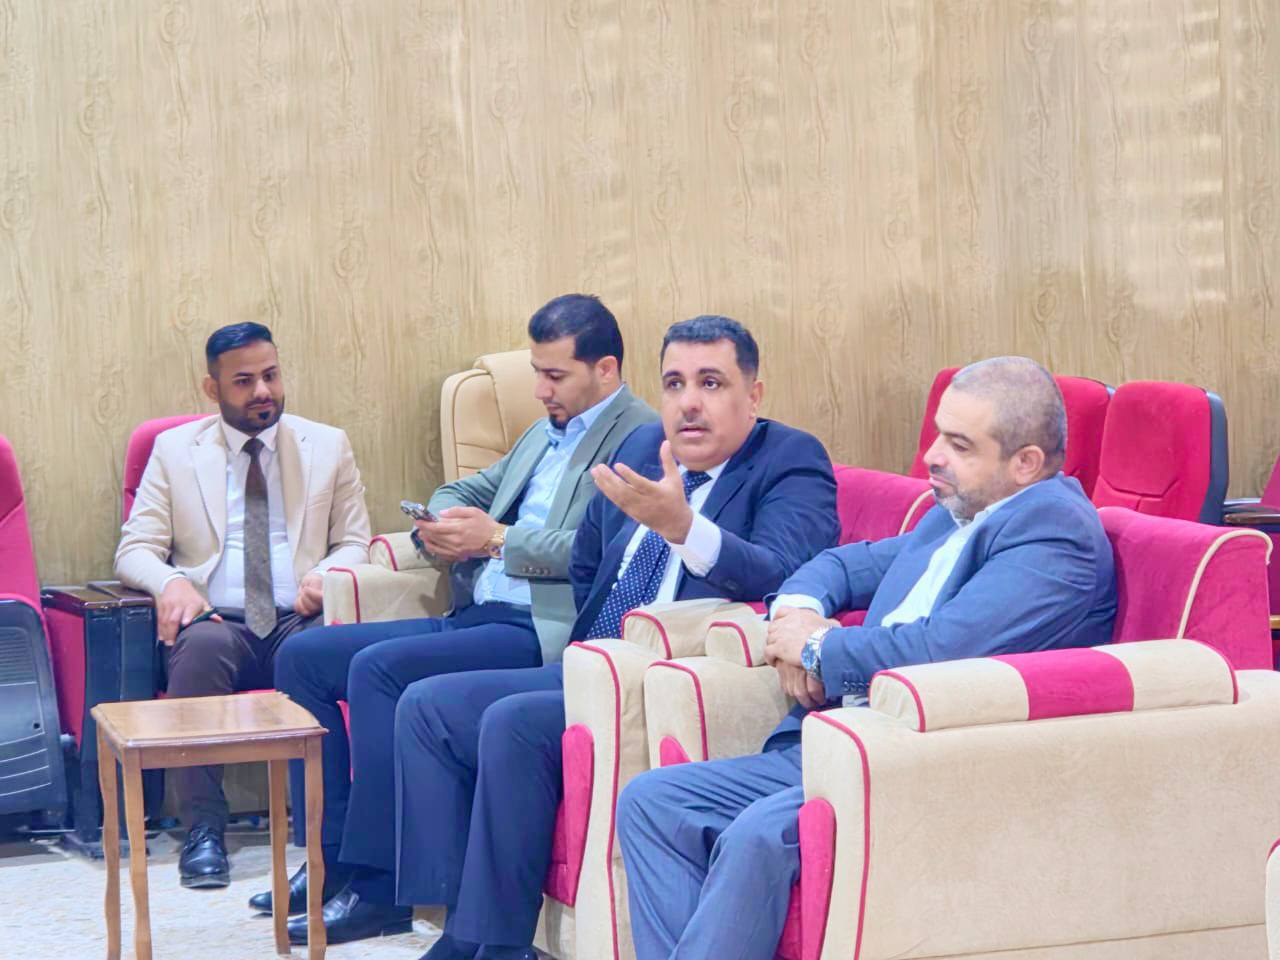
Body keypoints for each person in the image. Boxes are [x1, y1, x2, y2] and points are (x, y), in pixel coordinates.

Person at [615, 355, 1119, 960]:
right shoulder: (960, 510)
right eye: (939, 434)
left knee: (756, 835)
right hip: (841, 741)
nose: (932, 456)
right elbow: (839, 565)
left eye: (959, 445)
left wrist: (816, 649)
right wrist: (797, 616)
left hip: (920, 757)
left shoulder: (1054, 534)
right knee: (653, 801)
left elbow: (938, 650)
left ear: (1026, 463)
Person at [395, 316, 842, 960]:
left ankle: (491, 943)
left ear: (754, 395)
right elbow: (588, 561)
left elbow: (781, 570)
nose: (688, 403)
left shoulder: (789, 459)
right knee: (429, 705)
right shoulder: (641, 445)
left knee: (514, 723)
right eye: (674, 383)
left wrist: (685, 528)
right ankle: (444, 914)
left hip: (660, 678)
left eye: (711, 383)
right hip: (593, 661)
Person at [265, 294, 657, 942]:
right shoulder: (546, 430)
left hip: (535, 627)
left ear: (606, 369)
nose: (540, 390)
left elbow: (602, 550)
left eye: (554, 375)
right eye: (536, 372)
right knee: (302, 658)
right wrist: (443, 522)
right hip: (477, 609)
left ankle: (381, 886)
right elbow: (467, 488)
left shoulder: (638, 437)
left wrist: (496, 539)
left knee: (379, 672)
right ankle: (332, 856)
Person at [114, 322, 371, 889]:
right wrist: (171, 582)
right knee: (199, 649)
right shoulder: (176, 451)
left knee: (326, 651)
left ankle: (325, 837)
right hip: (217, 620)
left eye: (271, 375)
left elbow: (355, 541)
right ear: (212, 388)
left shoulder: (327, 445)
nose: (263, 391)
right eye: (244, 381)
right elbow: (134, 549)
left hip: (298, 617)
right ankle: (203, 829)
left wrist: (327, 575)